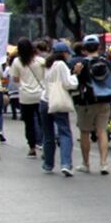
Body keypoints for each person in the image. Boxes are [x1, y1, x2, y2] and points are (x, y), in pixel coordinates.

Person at [73, 35, 111, 175]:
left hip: (87, 102)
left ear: (84, 49)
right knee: (102, 132)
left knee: (85, 132)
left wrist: (76, 73)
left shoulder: (81, 64)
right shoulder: (106, 61)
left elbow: (75, 82)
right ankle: (104, 164)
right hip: (105, 101)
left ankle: (86, 163)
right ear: (98, 47)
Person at [40, 42, 82, 177]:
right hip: (57, 101)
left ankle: (48, 164)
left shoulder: (47, 65)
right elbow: (69, 84)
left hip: (44, 100)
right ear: (64, 53)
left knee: (48, 134)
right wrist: (76, 74)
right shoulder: (61, 65)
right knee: (64, 132)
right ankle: (65, 164)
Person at [10, 38, 46, 158]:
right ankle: (45, 146)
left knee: (29, 123)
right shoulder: (41, 61)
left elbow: (15, 79)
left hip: (25, 96)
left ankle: (32, 148)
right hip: (40, 95)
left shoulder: (16, 62)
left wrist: (22, 85)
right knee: (43, 122)